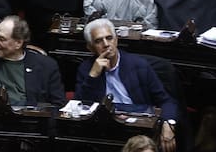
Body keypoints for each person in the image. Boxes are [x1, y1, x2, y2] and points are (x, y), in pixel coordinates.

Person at [75, 18, 179, 152]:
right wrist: (93, 76)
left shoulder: (139, 65)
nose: (106, 44)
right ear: (90, 47)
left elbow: (166, 101)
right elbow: (79, 107)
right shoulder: (86, 69)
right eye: (98, 41)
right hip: (103, 132)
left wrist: (168, 123)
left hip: (138, 131)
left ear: (116, 40)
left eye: (109, 38)